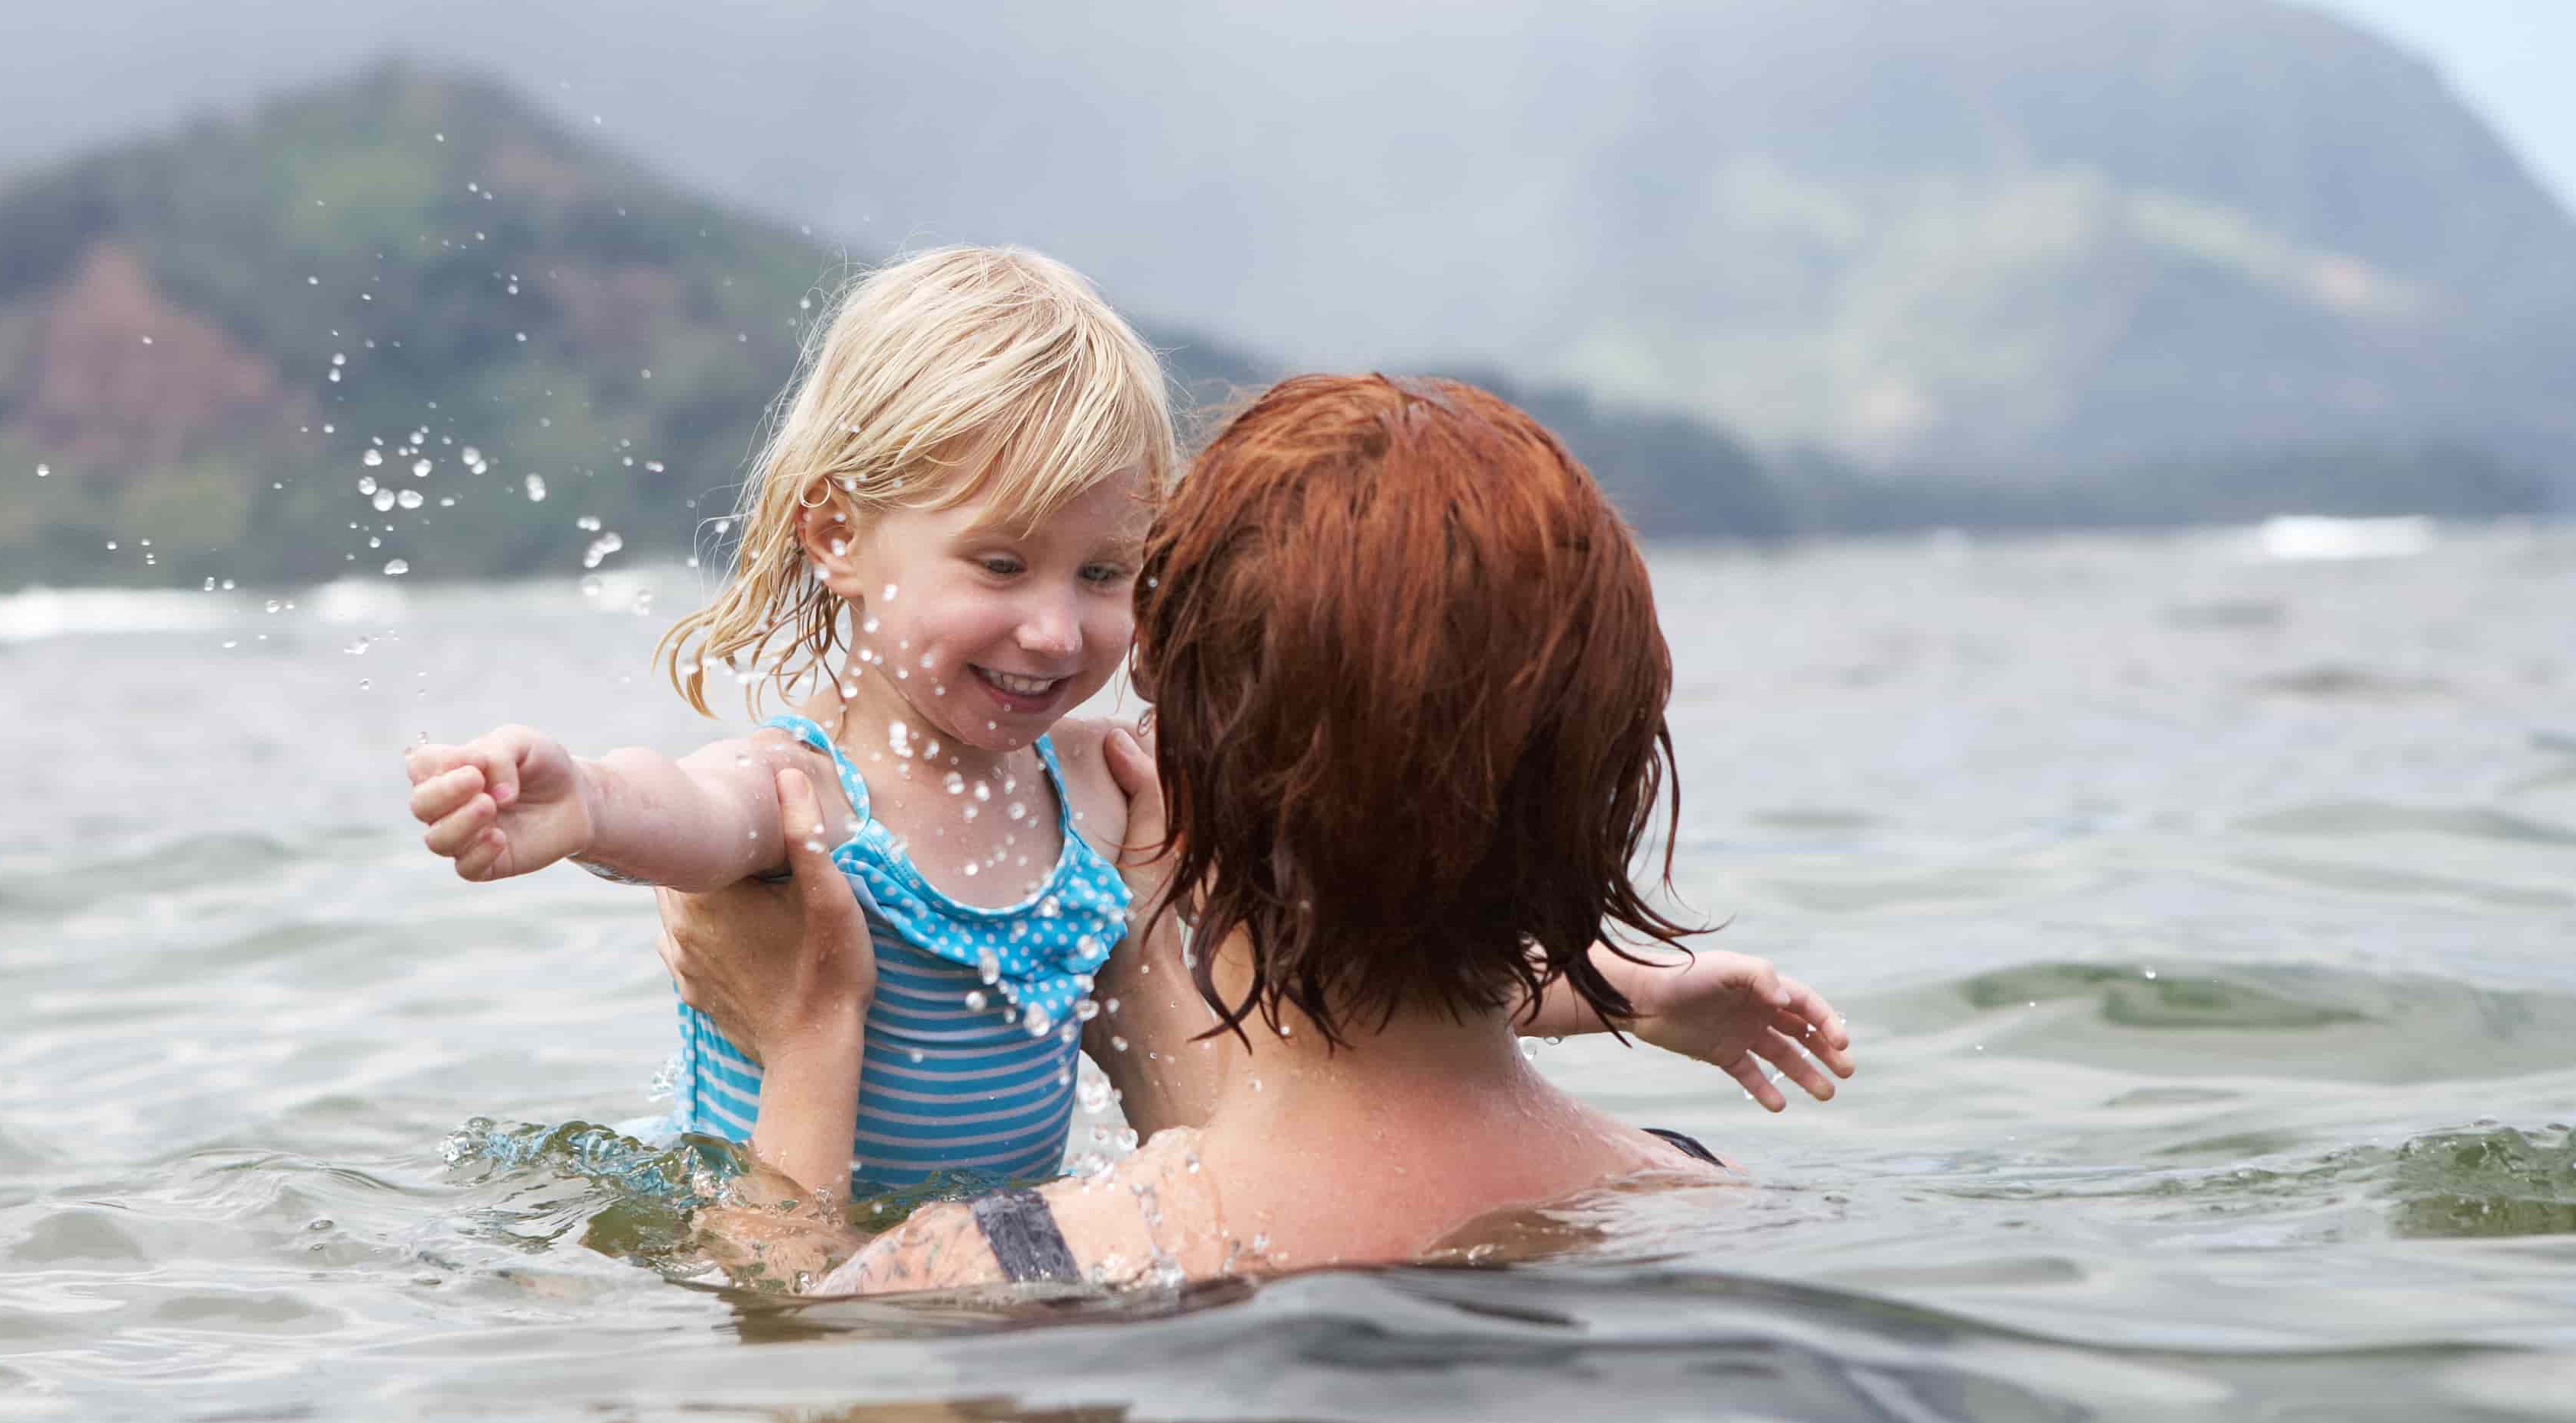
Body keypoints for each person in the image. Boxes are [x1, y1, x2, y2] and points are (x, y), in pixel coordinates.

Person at [668, 372, 1852, 1293]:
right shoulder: (1706, 1206)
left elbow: (798, 1393)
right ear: (1605, 786)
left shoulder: (1002, 1274)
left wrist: (811, 1027)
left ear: (1192, 773)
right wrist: (1623, 986)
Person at [403, 246, 1175, 1193]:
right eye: (1002, 566)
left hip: (974, 1271)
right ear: (839, 537)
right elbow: (693, 806)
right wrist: (590, 804)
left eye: (1101, 573)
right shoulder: (811, 789)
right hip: (767, 1227)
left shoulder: (1099, 785)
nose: (1056, 633)